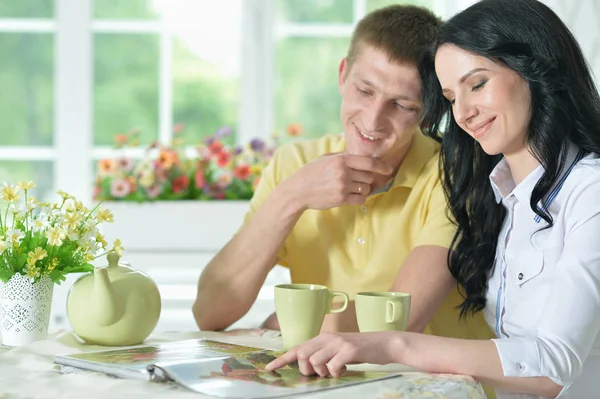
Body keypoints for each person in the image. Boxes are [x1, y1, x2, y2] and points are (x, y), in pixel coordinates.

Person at [265, 0, 600, 397]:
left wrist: (392, 344)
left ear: (535, 68)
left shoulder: (589, 194)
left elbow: (552, 367)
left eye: (477, 84)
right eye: (451, 97)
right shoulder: (499, 196)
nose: (464, 113)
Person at [193, 5, 493, 346]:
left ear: (428, 112)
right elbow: (210, 312)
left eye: (402, 105)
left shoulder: (454, 173)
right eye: (364, 91)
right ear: (342, 75)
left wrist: (291, 321)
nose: (373, 120)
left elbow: (398, 322)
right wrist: (292, 197)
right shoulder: (293, 165)